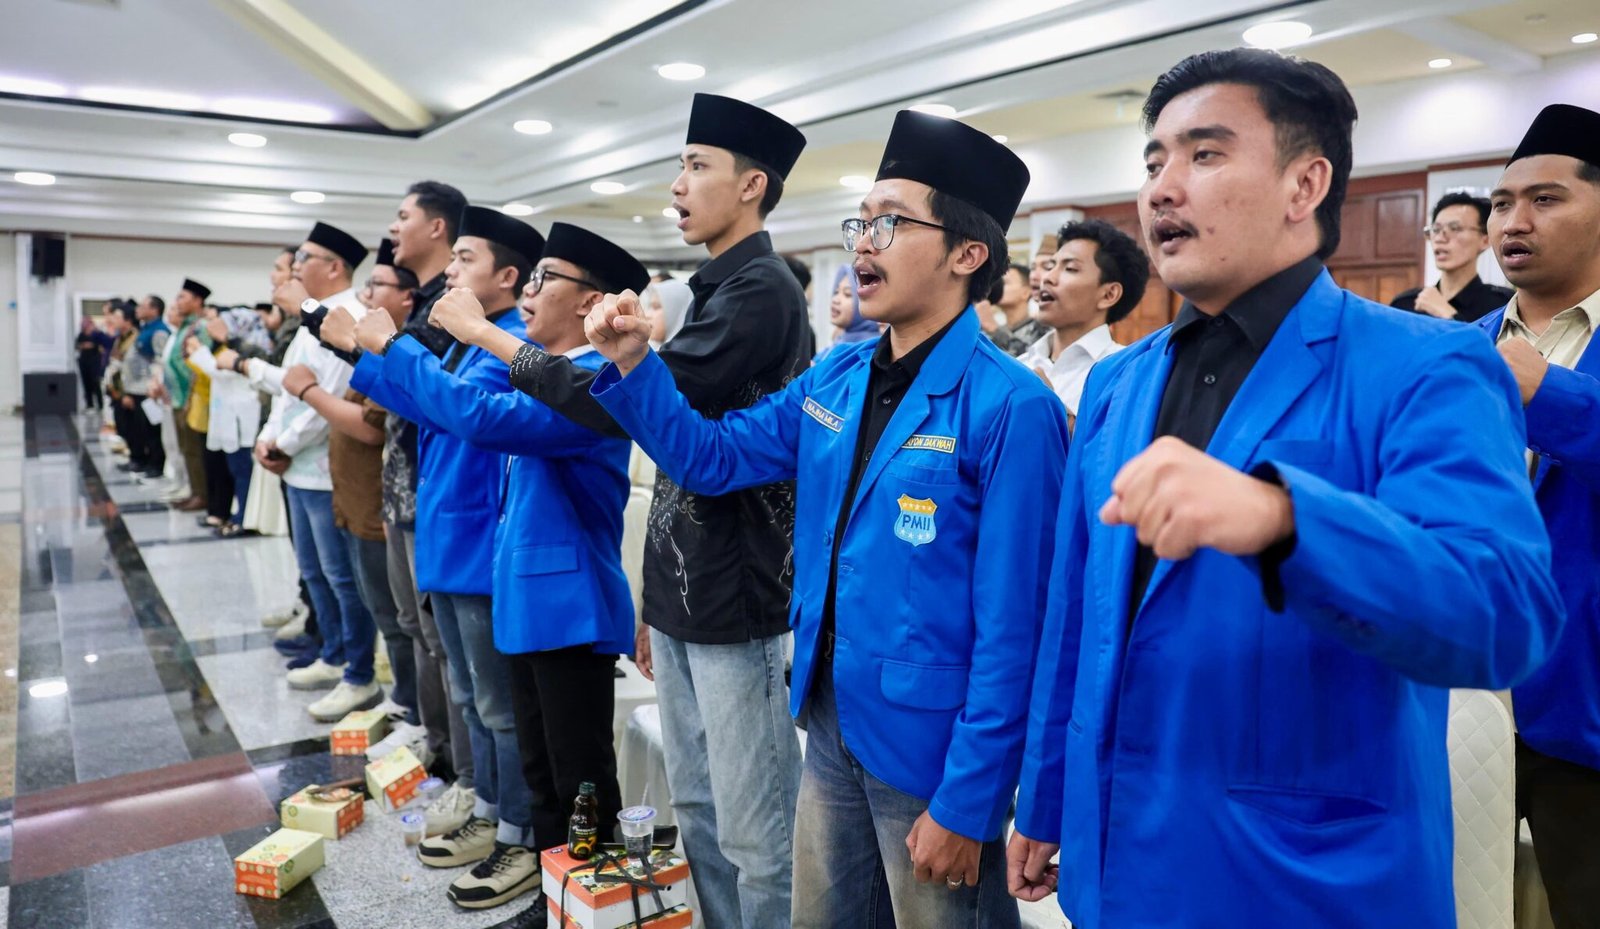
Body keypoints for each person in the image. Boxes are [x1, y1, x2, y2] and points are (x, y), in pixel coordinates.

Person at [1008, 49, 1563, 929]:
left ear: (1306, 183)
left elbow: (1504, 612)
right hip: (1120, 854)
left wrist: (1283, 518)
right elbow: (1079, 606)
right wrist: (1044, 792)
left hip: (1305, 874)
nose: (1161, 188)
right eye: (1153, 161)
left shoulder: (1426, 365)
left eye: (1204, 153)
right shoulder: (1120, 383)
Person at [587, 109, 1064, 929]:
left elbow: (1019, 627)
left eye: (890, 221)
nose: (863, 243)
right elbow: (711, 457)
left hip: (931, 755)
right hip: (830, 721)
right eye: (861, 221)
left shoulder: (1011, 405)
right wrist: (634, 363)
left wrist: (970, 802)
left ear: (967, 253)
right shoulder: (840, 376)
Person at [450, 93, 811, 929]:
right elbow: (660, 437)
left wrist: (489, 336)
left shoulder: (760, 291)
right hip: (689, 591)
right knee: (700, 810)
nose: (677, 183)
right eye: (681, 164)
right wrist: (655, 598)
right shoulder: (710, 289)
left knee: (756, 834)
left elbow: (614, 405)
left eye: (696, 166)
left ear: (752, 184)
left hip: (739, 594)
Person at [377, 221, 647, 925]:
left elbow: (480, 415)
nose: (528, 292)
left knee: (581, 779)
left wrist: (399, 346)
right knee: (543, 771)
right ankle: (561, 892)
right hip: (528, 603)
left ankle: (590, 896)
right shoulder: (556, 378)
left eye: (544, 280)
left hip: (571, 607)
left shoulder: (596, 379)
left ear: (589, 300)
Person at [333, 205, 545, 908]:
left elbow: (462, 409)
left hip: (479, 539)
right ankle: (486, 805)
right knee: (466, 692)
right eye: (452, 259)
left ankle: (513, 826)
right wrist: (371, 353)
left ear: (508, 277)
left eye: (467, 260)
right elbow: (421, 403)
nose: (451, 271)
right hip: (447, 532)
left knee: (496, 700)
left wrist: (396, 349)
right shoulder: (463, 341)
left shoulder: (510, 339)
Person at [1475, 102, 1600, 929]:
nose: (1514, 221)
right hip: (1471, 700)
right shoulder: (1460, 343)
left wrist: (1542, 389)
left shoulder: (1506, 362)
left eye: (1546, 199)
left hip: (1587, 711)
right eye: (1501, 203)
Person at [224, 222, 379, 721]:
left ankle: (356, 668)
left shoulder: (347, 318)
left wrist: (283, 443)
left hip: (325, 471)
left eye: (304, 259)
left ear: (334, 266)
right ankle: (332, 652)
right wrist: (269, 438)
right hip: (297, 468)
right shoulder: (310, 320)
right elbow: (291, 387)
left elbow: (324, 400)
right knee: (314, 571)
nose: (294, 269)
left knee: (340, 577)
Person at [282, 239, 420, 730]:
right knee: (376, 606)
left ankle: (403, 705)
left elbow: (368, 424)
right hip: (354, 494)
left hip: (377, 502)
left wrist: (308, 391)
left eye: (378, 286)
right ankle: (399, 700)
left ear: (407, 299)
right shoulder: (375, 349)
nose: (365, 296)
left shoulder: (401, 353)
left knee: (397, 619)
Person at [380, 182, 478, 829]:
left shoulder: (455, 310)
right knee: (418, 630)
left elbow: (444, 402)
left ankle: (469, 779)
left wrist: (381, 347)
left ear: (437, 229)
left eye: (403, 216)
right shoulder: (432, 309)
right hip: (404, 485)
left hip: (436, 493)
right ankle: (438, 745)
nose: (394, 228)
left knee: (453, 653)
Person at [1018, 220, 1148, 420]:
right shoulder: (1019, 364)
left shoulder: (1127, 373)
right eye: (1051, 266)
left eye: (1070, 269)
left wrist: (1056, 415)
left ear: (1108, 295)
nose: (1047, 278)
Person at [1391, 191, 1513, 322]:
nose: (1440, 238)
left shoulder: (1503, 306)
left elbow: (1486, 343)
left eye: (1455, 228)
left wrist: (1449, 315)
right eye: (1436, 230)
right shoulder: (1405, 304)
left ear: (1485, 240)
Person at [156, 279, 211, 511]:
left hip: (193, 400)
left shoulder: (201, 327)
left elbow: (198, 367)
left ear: (197, 301)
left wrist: (189, 398)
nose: (177, 302)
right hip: (178, 399)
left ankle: (202, 495)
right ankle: (194, 490)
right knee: (186, 450)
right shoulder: (186, 327)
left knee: (195, 450)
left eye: (182, 297)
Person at [116, 296, 170, 479]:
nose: (138, 309)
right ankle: (142, 460)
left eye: (143, 306)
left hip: (148, 389)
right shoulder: (145, 329)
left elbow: (160, 361)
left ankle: (155, 464)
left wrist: (155, 384)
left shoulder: (159, 331)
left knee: (152, 430)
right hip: (136, 388)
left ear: (154, 310)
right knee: (139, 429)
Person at [814, 266, 877, 362]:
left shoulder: (870, 350)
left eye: (847, 294)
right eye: (836, 292)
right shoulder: (839, 341)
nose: (835, 300)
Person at [985, 263, 1047, 355]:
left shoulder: (1041, 329)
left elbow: (1026, 361)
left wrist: (993, 329)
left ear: (1025, 293)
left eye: (1005, 283)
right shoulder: (995, 329)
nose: (997, 288)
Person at [76, 316, 112, 412]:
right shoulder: (81, 334)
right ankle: (89, 404)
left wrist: (92, 345)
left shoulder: (97, 334)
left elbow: (103, 344)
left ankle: (100, 405)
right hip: (84, 361)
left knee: (96, 382)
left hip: (95, 361)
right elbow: (78, 345)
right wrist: (85, 346)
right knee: (86, 383)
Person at [647, 278, 693, 350]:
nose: (647, 315)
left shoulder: (683, 358)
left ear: (676, 312)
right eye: (650, 307)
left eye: (656, 307)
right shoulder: (650, 349)